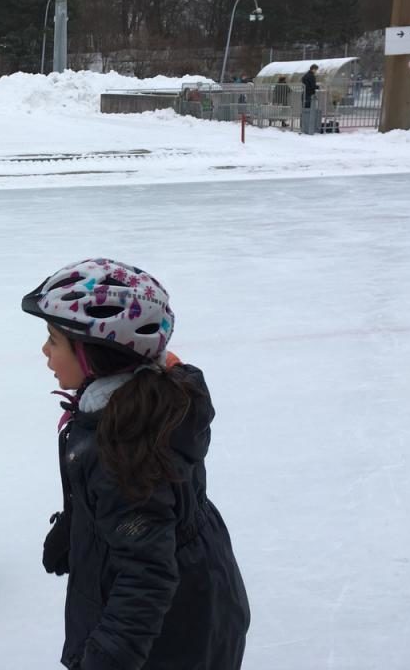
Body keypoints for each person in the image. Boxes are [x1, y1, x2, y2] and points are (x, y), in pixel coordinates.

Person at [21, 258, 250, 670]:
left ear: (93, 355)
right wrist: (76, 529)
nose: (45, 350)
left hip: (171, 636)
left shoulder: (124, 449)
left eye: (54, 340)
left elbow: (145, 578)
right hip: (199, 588)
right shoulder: (144, 402)